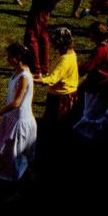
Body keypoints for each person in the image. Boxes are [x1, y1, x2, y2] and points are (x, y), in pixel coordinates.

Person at [0, 42, 37, 182]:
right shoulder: (17, 72)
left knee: (13, 155)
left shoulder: (24, 76)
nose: (7, 59)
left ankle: (17, 180)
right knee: (3, 152)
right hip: (12, 119)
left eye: (9, 56)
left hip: (20, 122)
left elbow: (16, 103)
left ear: (18, 57)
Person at [73, 23, 108, 142]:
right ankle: (102, 130)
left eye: (91, 33)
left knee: (91, 111)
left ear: (95, 35)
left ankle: (88, 136)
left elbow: (88, 66)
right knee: (100, 110)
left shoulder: (100, 51)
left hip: (95, 86)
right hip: (106, 85)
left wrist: (74, 67)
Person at [34, 27, 79, 165]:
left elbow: (52, 79)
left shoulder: (65, 59)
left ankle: (53, 154)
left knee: (55, 127)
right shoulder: (71, 54)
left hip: (61, 98)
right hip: (64, 95)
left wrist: (33, 79)